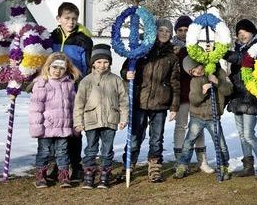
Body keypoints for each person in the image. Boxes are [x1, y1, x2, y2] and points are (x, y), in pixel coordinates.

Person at [120, 18, 180, 183]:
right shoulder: (142, 50)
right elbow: (126, 68)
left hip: (160, 103)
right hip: (140, 100)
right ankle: (129, 164)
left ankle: (154, 167)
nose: (164, 34)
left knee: (156, 137)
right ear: (155, 32)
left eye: (167, 32)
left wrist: (174, 107)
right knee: (135, 135)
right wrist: (127, 74)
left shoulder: (172, 56)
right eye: (161, 30)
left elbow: (175, 82)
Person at [225, 19, 257, 179]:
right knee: (241, 134)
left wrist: (224, 53)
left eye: (244, 32)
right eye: (239, 33)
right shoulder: (238, 48)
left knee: (248, 134)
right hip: (237, 96)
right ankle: (248, 166)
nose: (242, 35)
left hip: (250, 96)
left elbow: (242, 59)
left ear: (252, 32)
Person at [73, 44, 128, 189]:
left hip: (110, 120)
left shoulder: (115, 80)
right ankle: (89, 175)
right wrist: (78, 121)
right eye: (98, 62)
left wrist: (123, 118)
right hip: (91, 120)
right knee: (91, 149)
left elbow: (123, 101)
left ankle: (105, 175)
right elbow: (79, 102)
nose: (102, 65)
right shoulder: (87, 81)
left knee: (107, 149)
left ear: (109, 62)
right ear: (93, 63)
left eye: (105, 62)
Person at [173, 49, 233, 180]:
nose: (197, 72)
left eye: (196, 68)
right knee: (189, 141)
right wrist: (203, 91)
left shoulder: (217, 72)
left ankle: (223, 166)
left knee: (220, 143)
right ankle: (182, 165)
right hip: (197, 116)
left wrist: (217, 82)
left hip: (213, 116)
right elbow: (194, 100)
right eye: (192, 72)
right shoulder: (195, 81)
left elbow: (229, 90)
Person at [50, 1, 93, 182]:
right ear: (59, 19)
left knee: (75, 128)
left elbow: (88, 66)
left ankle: (76, 166)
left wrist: (82, 86)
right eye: (67, 18)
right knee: (55, 127)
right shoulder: (51, 38)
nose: (71, 22)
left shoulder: (83, 40)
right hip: (53, 91)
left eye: (74, 19)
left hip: (74, 89)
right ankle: (58, 166)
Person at [29, 52, 81, 188]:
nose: (57, 71)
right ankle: (41, 175)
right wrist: (37, 127)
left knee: (63, 152)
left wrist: (75, 124)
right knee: (44, 152)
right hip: (46, 127)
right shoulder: (42, 84)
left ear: (66, 69)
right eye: (54, 68)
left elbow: (73, 106)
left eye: (61, 68)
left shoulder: (69, 85)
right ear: (48, 67)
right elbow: (36, 107)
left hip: (64, 127)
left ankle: (63, 176)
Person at [171, 15, 212, 173]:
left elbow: (206, 68)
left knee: (198, 127)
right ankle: (180, 161)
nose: (183, 33)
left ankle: (202, 160)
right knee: (181, 126)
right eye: (180, 30)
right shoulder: (172, 49)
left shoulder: (197, 49)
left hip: (198, 94)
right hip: (181, 94)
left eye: (186, 30)